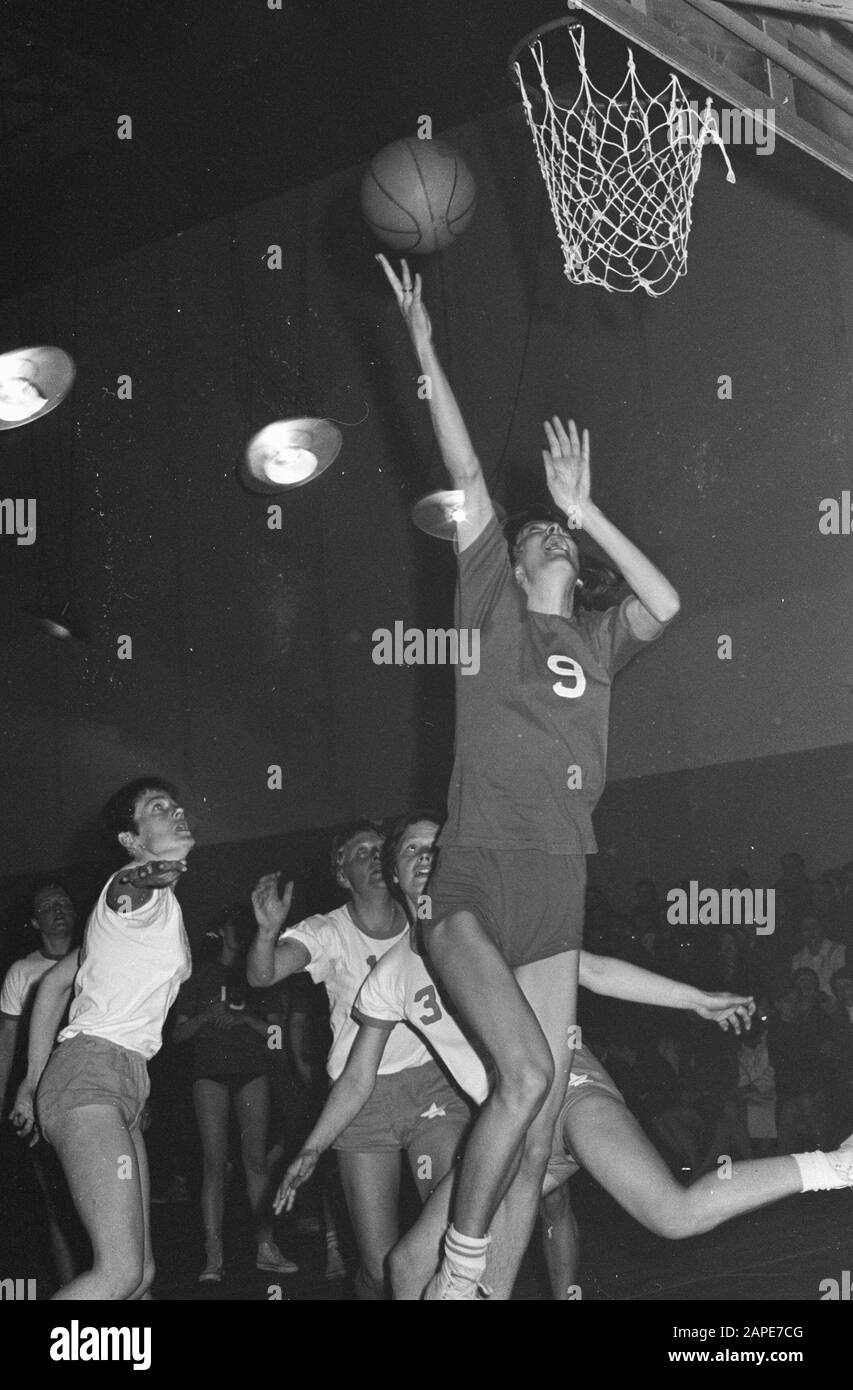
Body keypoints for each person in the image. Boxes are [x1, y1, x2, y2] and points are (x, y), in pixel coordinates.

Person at [377, 254, 681, 1299]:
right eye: (536, 525)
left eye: (554, 530)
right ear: (510, 557)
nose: (540, 526)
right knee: (520, 1074)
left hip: (561, 875)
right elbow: (461, 471)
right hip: (475, 868)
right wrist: (423, 345)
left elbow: (668, 601)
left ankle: (469, 1284)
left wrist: (588, 508)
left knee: (541, 1119)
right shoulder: (485, 600)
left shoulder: (594, 635)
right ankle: (459, 1271)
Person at [274, 813, 779, 1298]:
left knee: (671, 1212)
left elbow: (595, 971)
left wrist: (698, 1000)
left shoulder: (496, 929)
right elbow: (358, 1077)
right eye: (412, 849)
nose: (426, 856)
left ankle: (835, 1167)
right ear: (393, 871)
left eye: (437, 848)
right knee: (406, 1267)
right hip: (509, 1129)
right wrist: (311, 1149)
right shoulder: (389, 976)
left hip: (565, 1089)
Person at [247, 820, 471, 1299]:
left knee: (451, 1236)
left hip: (433, 1086)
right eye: (360, 852)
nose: (373, 858)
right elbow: (263, 976)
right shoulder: (328, 931)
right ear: (342, 874)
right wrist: (266, 934)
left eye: (379, 850)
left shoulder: (423, 913)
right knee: (378, 1268)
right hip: (360, 1098)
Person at [10, 777, 193, 1300]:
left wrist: (30, 1083)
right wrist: (161, 867)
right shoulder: (130, 888)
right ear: (132, 840)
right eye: (160, 808)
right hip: (91, 1073)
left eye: (177, 806)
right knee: (116, 1273)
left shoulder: (136, 921)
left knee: (140, 1278)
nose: (177, 812)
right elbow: (143, 878)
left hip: (119, 1078)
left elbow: (51, 986)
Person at [173, 908, 298, 1283]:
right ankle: (214, 1257)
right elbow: (176, 1036)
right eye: (234, 925)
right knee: (214, 1164)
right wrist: (203, 1018)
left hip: (251, 1073)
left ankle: (265, 1248)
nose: (240, 932)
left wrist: (246, 1020)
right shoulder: (199, 974)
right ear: (221, 930)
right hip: (209, 1073)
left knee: (255, 1162)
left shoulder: (261, 974)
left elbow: (277, 1041)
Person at [0, 884, 86, 1287]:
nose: (58, 910)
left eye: (64, 903)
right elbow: (8, 1042)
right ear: (35, 922)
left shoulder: (94, 958)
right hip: (42, 1099)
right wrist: (7, 1100)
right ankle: (73, 1291)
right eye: (48, 906)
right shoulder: (22, 971)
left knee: (98, 1198)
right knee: (57, 1202)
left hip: (90, 1092)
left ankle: (120, 1284)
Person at [791, 915, 845, 997]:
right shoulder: (796, 960)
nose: (811, 931)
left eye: (814, 927)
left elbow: (842, 984)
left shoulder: (838, 950)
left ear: (822, 928)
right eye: (806, 929)